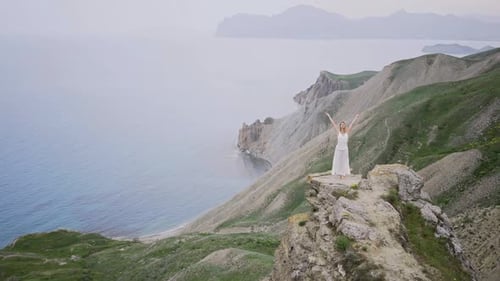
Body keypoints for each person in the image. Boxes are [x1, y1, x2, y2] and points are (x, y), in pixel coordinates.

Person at [324, 112, 359, 179]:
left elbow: (352, 124)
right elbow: (333, 123)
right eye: (341, 124)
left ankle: (343, 174)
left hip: (345, 149)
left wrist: (356, 117)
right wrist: (329, 116)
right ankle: (338, 173)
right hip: (338, 149)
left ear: (345, 126)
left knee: (344, 161)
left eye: (343, 124)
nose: (342, 125)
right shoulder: (338, 132)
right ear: (340, 126)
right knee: (338, 160)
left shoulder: (347, 131)